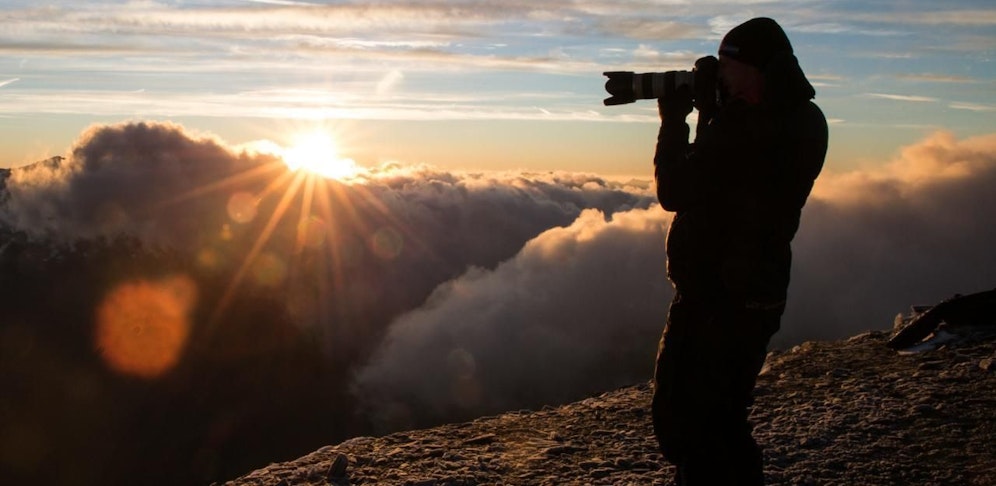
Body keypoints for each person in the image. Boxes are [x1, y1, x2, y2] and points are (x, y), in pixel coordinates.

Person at [651, 17, 827, 486]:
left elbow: (677, 189)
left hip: (720, 296)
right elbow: (727, 183)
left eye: (729, 65)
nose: (721, 75)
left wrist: (674, 122)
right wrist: (713, 113)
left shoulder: (753, 126)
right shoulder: (804, 119)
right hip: (752, 291)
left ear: (758, 69)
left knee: (692, 425)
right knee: (719, 420)